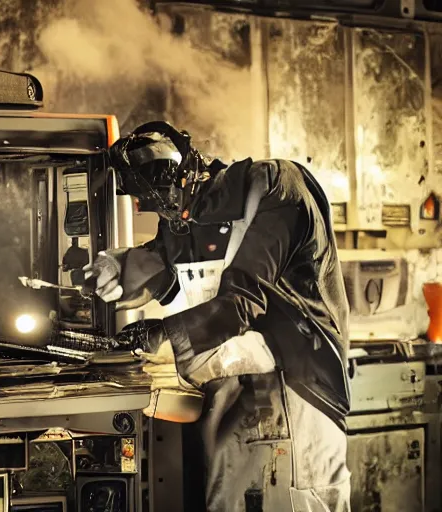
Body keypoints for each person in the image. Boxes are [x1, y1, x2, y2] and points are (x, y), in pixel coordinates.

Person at [83, 121, 352, 512]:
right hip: (230, 401)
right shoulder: (186, 219)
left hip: (298, 397)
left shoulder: (278, 188)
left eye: (161, 198)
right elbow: (160, 263)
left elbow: (240, 301)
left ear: (186, 171)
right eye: (150, 203)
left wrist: (157, 336)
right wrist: (115, 266)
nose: (161, 210)